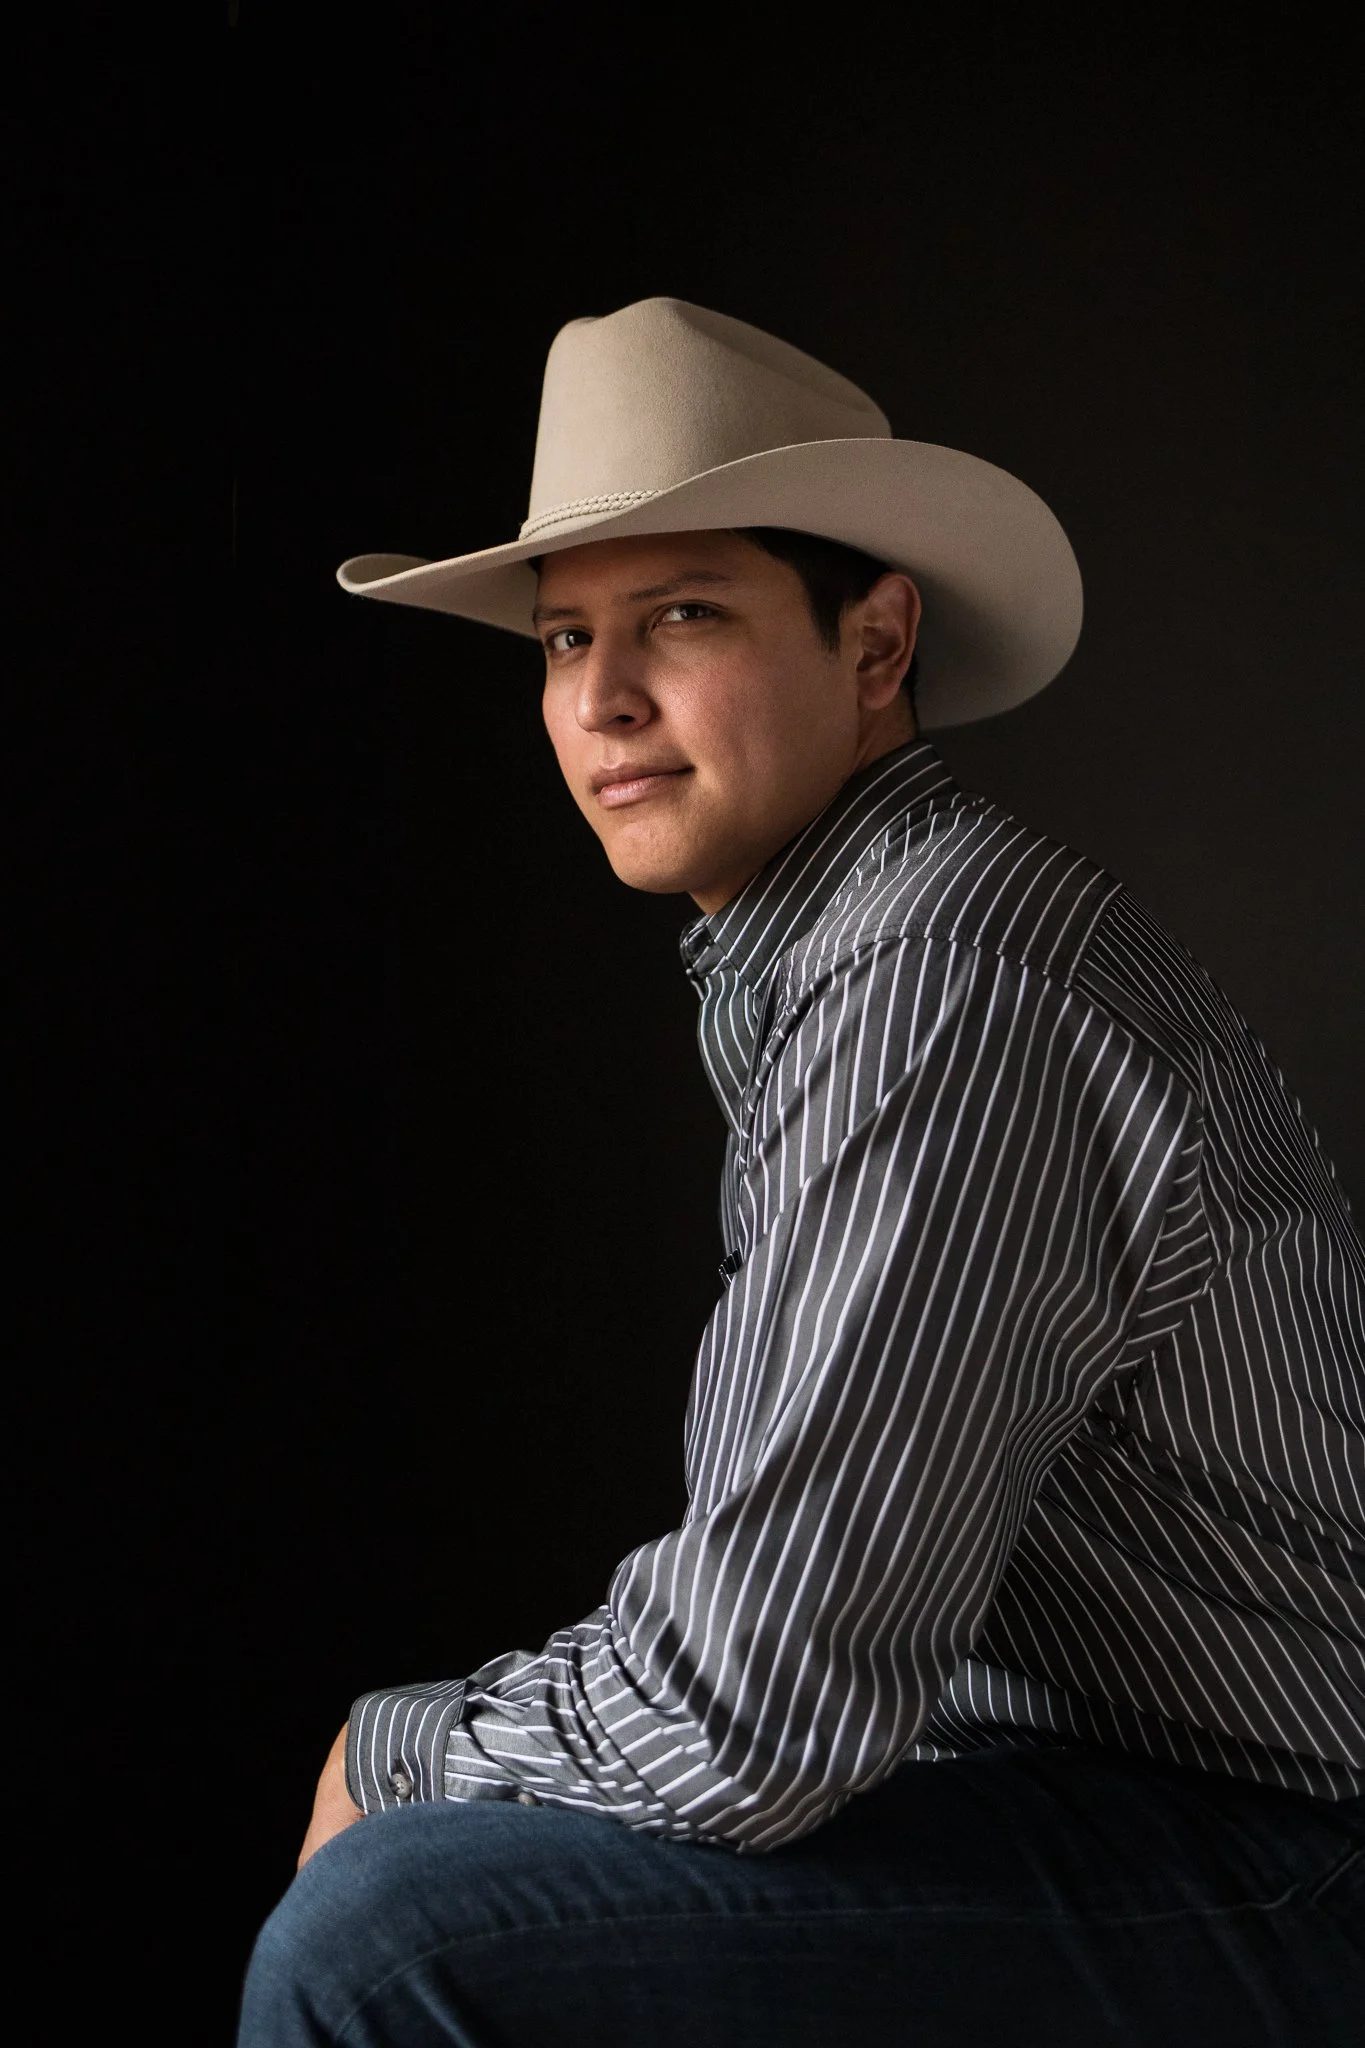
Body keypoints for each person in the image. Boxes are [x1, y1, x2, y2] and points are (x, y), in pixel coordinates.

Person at [239, 298, 1364, 2045]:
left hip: (1294, 1850)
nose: (603, 701)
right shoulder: (844, 955)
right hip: (1088, 1786)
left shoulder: (937, 985)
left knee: (388, 1941)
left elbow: (761, 1699)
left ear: (876, 641)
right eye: (559, 643)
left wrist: (396, 1754)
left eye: (683, 615)